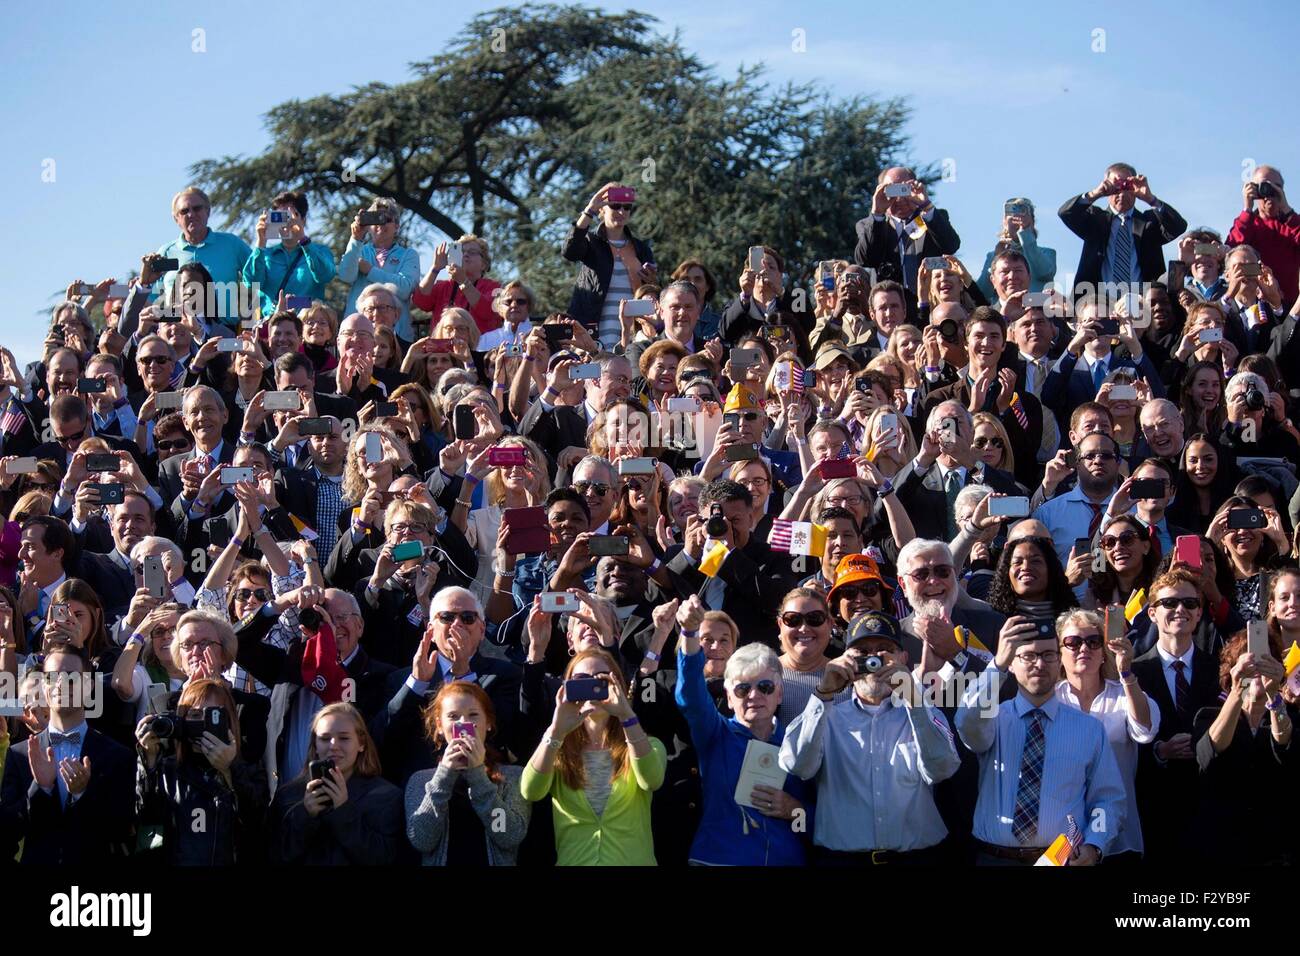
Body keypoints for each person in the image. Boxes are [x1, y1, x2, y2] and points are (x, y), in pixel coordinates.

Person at [780, 611, 959, 864]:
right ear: (844, 660)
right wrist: (823, 694)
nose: (873, 660)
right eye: (862, 653)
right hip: (842, 860)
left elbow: (943, 768)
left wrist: (914, 699)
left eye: (884, 651)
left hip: (917, 858)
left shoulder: (922, 713)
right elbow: (797, 765)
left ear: (903, 659)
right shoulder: (825, 716)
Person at [957, 616, 1126, 865]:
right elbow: (967, 723)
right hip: (995, 858)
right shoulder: (992, 719)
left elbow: (1107, 800)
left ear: (1059, 661)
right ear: (1011, 665)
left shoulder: (1089, 729)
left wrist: (1094, 844)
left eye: (1048, 655)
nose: (1039, 663)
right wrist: (996, 666)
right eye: (1028, 656)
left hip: (1062, 860)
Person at [672, 595, 808, 865]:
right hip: (719, 859)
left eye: (765, 687)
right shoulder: (715, 733)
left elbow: (817, 821)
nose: (754, 696)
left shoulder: (799, 744)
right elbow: (689, 693)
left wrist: (795, 810)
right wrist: (688, 632)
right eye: (743, 688)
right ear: (729, 696)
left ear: (779, 694)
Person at [520, 648, 666, 865]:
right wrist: (555, 731)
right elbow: (530, 791)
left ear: (617, 685)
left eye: (602, 679)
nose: (592, 686)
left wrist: (626, 714)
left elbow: (651, 780)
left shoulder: (646, 745)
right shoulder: (557, 749)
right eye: (581, 680)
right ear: (566, 687)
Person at [0, 649, 136, 864]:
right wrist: (40, 788)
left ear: (90, 685)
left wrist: (82, 794)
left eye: (72, 677)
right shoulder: (19, 754)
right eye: (52, 677)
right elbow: (7, 832)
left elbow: (121, 830)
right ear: (44, 686)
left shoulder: (118, 756)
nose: (62, 684)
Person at [1129, 568, 1224, 864]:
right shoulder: (1133, 673)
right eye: (1170, 603)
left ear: (1199, 615)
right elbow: (1122, 741)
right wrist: (1158, 750)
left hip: (1210, 812)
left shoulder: (1221, 670)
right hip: (1156, 813)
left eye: (1190, 603)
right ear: (1153, 613)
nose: (1180, 609)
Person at [1053, 608, 1158, 861]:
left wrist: (1126, 674)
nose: (1083, 648)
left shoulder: (1123, 693)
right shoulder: (1049, 700)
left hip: (1120, 836)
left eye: (1093, 642)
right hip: (1060, 839)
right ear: (1059, 652)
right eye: (1073, 642)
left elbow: (1145, 731)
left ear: (1103, 652)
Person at [134, 677, 267, 864]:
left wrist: (230, 771)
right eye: (194, 715)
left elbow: (256, 827)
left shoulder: (249, 768)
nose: (202, 723)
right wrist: (148, 763)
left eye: (212, 715)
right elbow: (148, 831)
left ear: (228, 721)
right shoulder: (166, 770)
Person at [1192, 629, 1294, 864]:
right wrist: (1238, 692)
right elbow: (1209, 754)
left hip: (1276, 850)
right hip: (1223, 849)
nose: (1258, 669)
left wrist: (1274, 695)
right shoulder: (1207, 717)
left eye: (1267, 661)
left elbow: (1286, 747)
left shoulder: (1287, 718)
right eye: (1249, 661)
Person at [404, 681, 529, 865]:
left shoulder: (512, 777)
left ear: (488, 723)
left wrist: (478, 775)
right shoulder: (421, 780)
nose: (463, 724)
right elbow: (422, 840)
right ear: (439, 725)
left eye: (473, 715)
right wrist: (444, 777)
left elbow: (508, 835)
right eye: (453, 716)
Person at [269, 703, 405, 865]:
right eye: (325, 739)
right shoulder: (288, 796)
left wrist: (343, 812)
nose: (334, 746)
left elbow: (384, 858)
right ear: (315, 745)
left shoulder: (387, 797)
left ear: (361, 743)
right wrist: (305, 816)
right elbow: (273, 855)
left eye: (344, 738)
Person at [1058, 163, 1187, 292]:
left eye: (1127, 186)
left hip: (1142, 303)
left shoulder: (1149, 222)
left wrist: (1150, 199)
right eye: (1116, 186)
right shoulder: (1095, 219)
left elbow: (1178, 227)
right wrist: (1095, 193)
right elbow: (1066, 213)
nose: (1122, 193)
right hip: (1099, 302)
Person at [564, 182, 656, 347]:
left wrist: (652, 283)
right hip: (595, 334)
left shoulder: (641, 249)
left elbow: (652, 294)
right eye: (615, 205)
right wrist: (589, 210)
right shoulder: (591, 242)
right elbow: (569, 251)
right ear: (602, 209)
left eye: (627, 207)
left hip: (634, 336)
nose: (621, 211)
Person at [854, 166, 961, 307]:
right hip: (890, 310)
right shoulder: (869, 225)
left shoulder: (932, 218)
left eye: (905, 189)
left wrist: (926, 206)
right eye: (892, 191)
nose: (900, 199)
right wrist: (877, 213)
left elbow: (951, 245)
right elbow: (865, 259)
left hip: (930, 305)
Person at [150, 187, 252, 328]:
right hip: (178, 333)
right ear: (176, 219)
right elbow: (153, 299)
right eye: (184, 211)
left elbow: (257, 278)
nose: (191, 214)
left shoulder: (231, 244)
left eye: (197, 208)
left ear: (208, 211)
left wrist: (250, 320)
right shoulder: (166, 253)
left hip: (223, 332)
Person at [242, 190, 337, 319]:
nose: (286, 222)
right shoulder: (265, 254)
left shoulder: (320, 251)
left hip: (308, 325)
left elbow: (326, 275)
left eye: (291, 216)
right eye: (281, 216)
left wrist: (303, 240)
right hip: (273, 326)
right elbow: (251, 283)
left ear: (303, 219)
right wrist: (261, 243)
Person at [338, 199, 421, 341]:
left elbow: (405, 288)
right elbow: (345, 276)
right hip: (357, 335)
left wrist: (370, 270)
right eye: (376, 219)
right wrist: (355, 239)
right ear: (369, 226)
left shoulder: (409, 255)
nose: (381, 224)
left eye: (387, 219)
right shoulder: (358, 250)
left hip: (397, 338)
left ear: (397, 226)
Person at [1228, 165, 1300, 304]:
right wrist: (1247, 209)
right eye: (1263, 186)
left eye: (1276, 186)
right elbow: (1231, 250)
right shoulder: (1248, 223)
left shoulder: (1293, 224)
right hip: (1256, 306)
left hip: (1293, 306)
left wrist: (1287, 211)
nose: (1269, 192)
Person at [413, 235, 502, 336]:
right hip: (442, 349)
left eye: (472, 252)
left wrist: (463, 281)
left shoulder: (494, 287)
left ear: (484, 264)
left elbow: (487, 311)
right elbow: (420, 301)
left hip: (479, 349)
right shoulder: (443, 286)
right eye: (462, 252)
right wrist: (435, 268)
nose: (466, 255)